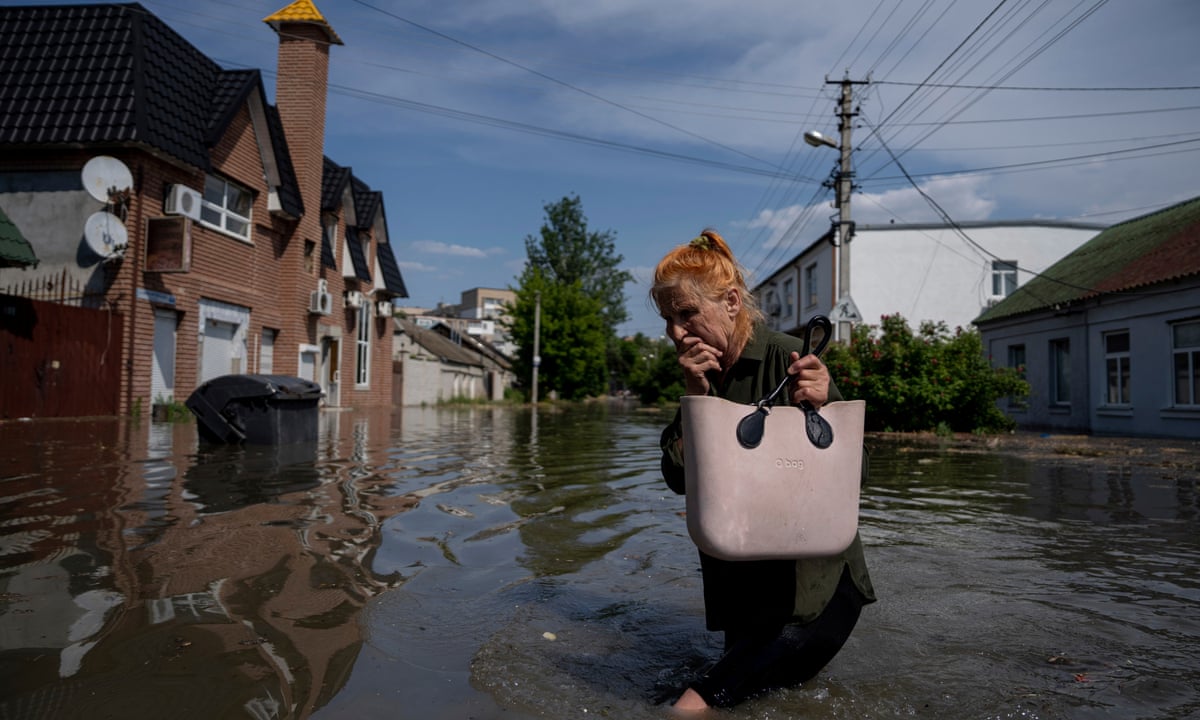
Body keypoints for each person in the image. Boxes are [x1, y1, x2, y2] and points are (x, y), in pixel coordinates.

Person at [652, 229, 876, 711]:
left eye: (686, 313)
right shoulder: (703, 375)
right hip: (745, 595)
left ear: (731, 301)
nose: (675, 331)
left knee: (690, 708)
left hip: (812, 596)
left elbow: (855, 476)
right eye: (667, 319)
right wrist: (696, 398)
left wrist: (821, 403)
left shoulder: (788, 356)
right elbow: (677, 480)